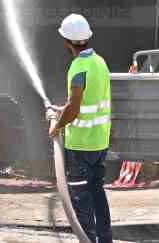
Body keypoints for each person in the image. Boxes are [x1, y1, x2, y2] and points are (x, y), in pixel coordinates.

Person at [47, 13, 112, 243]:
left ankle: (87, 240)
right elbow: (82, 101)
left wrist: (58, 126)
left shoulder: (78, 68)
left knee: (81, 199)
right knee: (98, 194)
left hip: (81, 146)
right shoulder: (100, 62)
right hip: (100, 142)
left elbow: (74, 108)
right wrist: (61, 110)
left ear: (67, 42)